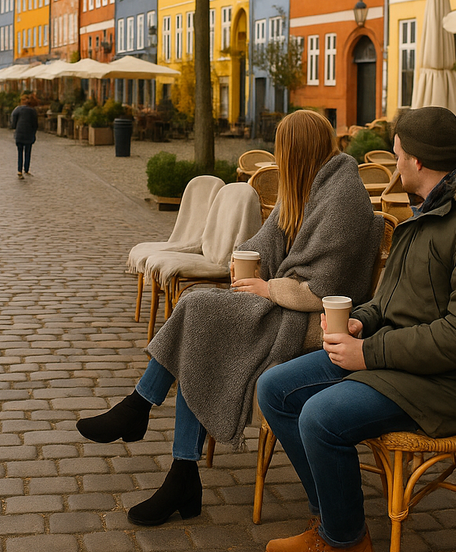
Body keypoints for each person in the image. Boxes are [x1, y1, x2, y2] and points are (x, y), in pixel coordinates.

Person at [76, 110, 381, 526]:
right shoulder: (310, 183)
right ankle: (176, 465)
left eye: (282, 148)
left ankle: (143, 412)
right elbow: (267, 238)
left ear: (298, 150)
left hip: (321, 325)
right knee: (203, 326)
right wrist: (244, 259)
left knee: (201, 312)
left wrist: (268, 288)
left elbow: (325, 288)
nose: (278, 155)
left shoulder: (341, 195)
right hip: (287, 309)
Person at [256, 107, 456, 552]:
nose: (394, 161)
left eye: (398, 153)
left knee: (320, 417)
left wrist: (367, 351)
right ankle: (333, 524)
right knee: (275, 388)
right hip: (399, 361)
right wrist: (363, 319)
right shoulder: (429, 211)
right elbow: (394, 301)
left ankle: (345, 547)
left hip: (451, 383)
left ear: (418, 162)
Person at [10, 93, 38, 178]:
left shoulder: (17, 109)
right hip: (29, 134)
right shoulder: (32, 111)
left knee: (20, 152)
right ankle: (26, 169)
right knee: (27, 152)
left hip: (19, 134)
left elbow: (13, 119)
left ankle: (19, 171)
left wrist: (14, 127)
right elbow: (35, 124)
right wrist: (33, 132)